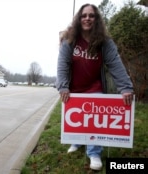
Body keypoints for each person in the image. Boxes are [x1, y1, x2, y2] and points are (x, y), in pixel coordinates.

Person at [56, 3, 134, 171]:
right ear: (79, 18)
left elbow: (115, 64)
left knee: (93, 119)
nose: (87, 18)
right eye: (84, 15)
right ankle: (76, 141)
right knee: (77, 119)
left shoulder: (104, 42)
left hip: (94, 86)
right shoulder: (69, 39)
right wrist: (63, 87)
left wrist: (125, 88)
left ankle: (94, 152)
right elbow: (62, 64)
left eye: (91, 15)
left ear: (96, 19)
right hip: (74, 88)